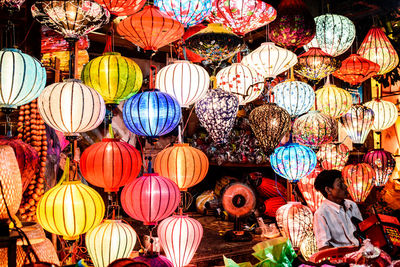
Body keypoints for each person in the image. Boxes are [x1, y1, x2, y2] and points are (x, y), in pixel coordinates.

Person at [313, 169, 363, 251]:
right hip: (342, 259)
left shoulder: (352, 205)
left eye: (344, 183)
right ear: (328, 190)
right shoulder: (321, 214)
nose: (345, 187)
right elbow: (323, 247)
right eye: (340, 185)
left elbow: (364, 232)